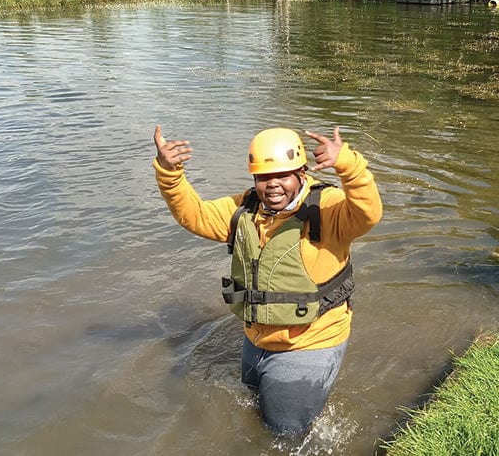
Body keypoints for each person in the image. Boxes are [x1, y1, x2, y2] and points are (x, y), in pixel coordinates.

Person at [152, 124, 382, 434]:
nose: (272, 185)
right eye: (262, 177)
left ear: (302, 172)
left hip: (309, 344)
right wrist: (170, 173)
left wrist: (348, 165)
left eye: (282, 175)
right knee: (252, 405)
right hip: (256, 337)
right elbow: (195, 216)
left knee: (282, 435)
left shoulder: (326, 208)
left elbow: (367, 213)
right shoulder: (246, 209)